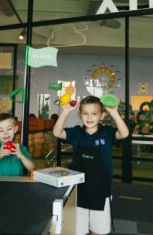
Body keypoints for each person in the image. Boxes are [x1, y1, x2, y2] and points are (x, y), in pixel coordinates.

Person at [52, 95, 129, 235]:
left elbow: (124, 133)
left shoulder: (107, 133)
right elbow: (57, 132)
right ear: (80, 115)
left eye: (94, 113)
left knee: (98, 231)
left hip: (101, 190)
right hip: (78, 190)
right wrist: (65, 112)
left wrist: (114, 112)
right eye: (85, 113)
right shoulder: (77, 133)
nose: (89, 117)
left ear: (102, 115)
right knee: (77, 231)